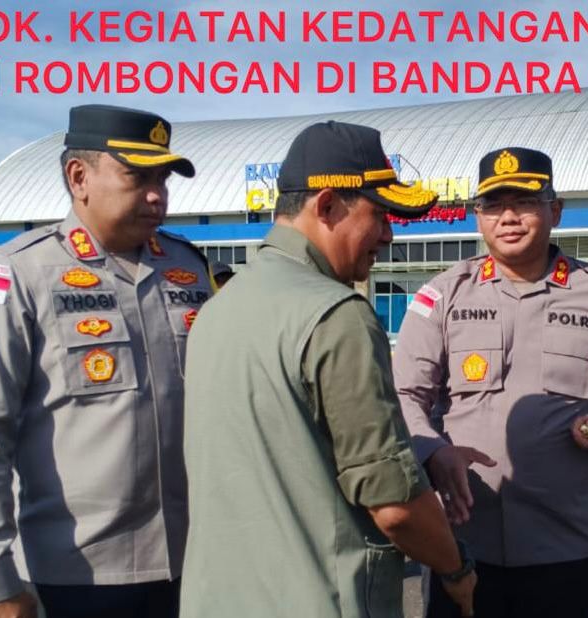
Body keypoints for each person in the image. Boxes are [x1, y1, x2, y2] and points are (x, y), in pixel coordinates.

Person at [179, 121, 476, 618]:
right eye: (379, 215)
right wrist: (457, 571)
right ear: (327, 205)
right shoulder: (337, 315)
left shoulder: (217, 309)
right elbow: (396, 507)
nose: (388, 234)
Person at [0, 104, 211, 618]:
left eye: (162, 179)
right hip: (77, 574)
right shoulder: (19, 274)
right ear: (79, 177)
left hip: (195, 560)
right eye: (138, 177)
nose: (157, 194)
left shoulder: (190, 267)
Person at [392, 147, 588, 618]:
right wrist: (432, 451)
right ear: (478, 216)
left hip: (564, 546)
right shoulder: (443, 293)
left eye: (525, 202)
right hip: (461, 543)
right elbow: (404, 394)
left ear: (555, 210)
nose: (508, 217)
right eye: (493, 205)